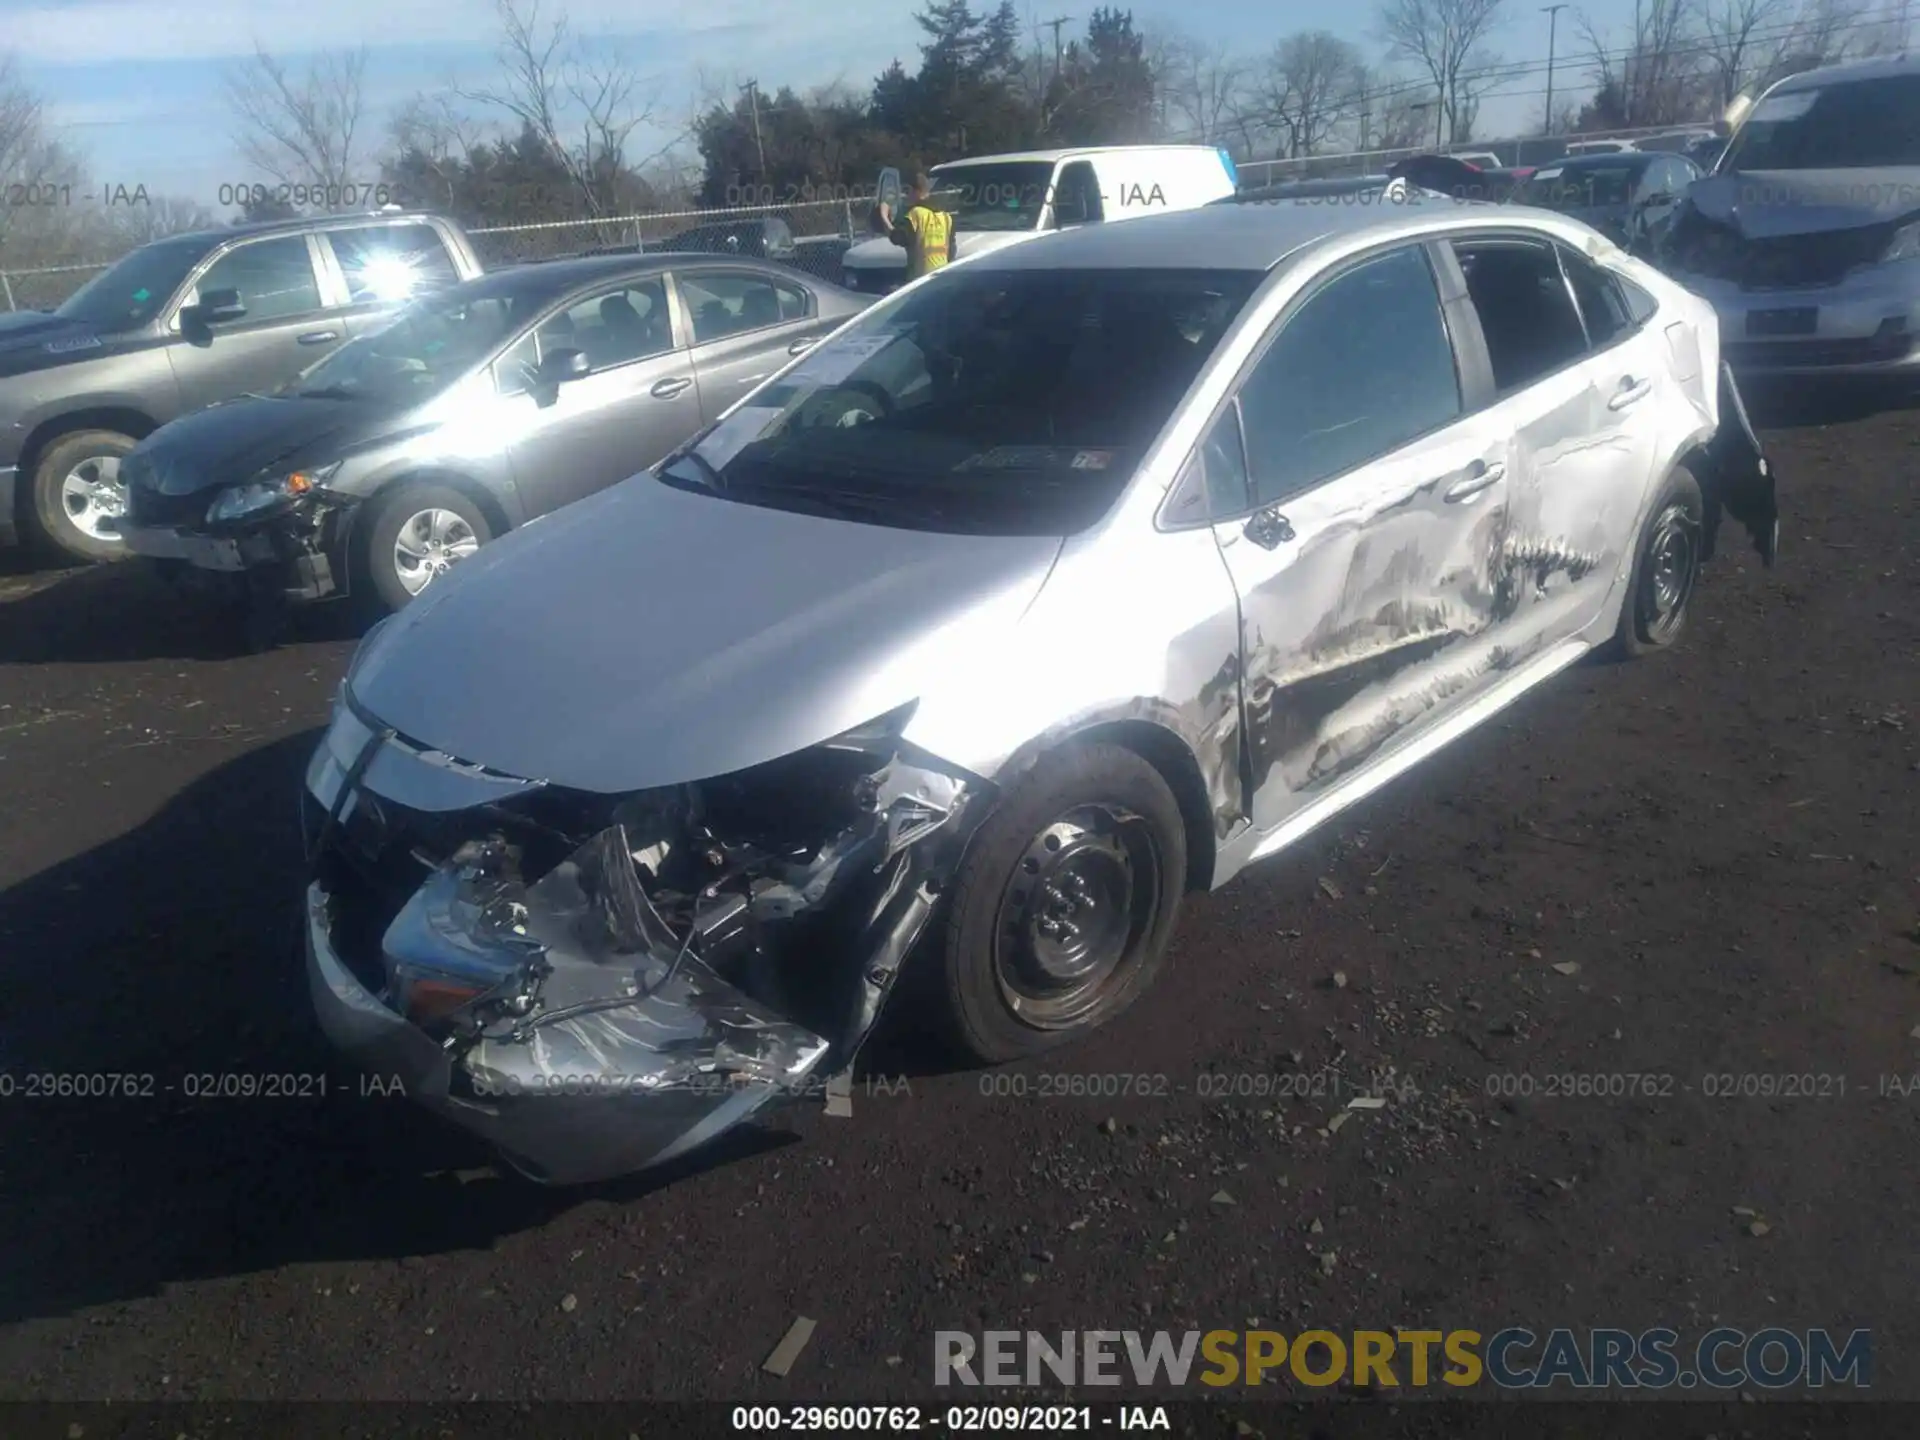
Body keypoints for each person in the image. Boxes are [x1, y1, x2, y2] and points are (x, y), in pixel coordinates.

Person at [882, 171, 953, 281]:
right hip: (941, 277)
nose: (907, 195)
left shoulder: (916, 214)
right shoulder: (945, 217)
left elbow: (898, 238)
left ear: (916, 191)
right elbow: (951, 250)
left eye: (908, 191)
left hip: (920, 279)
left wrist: (885, 218)